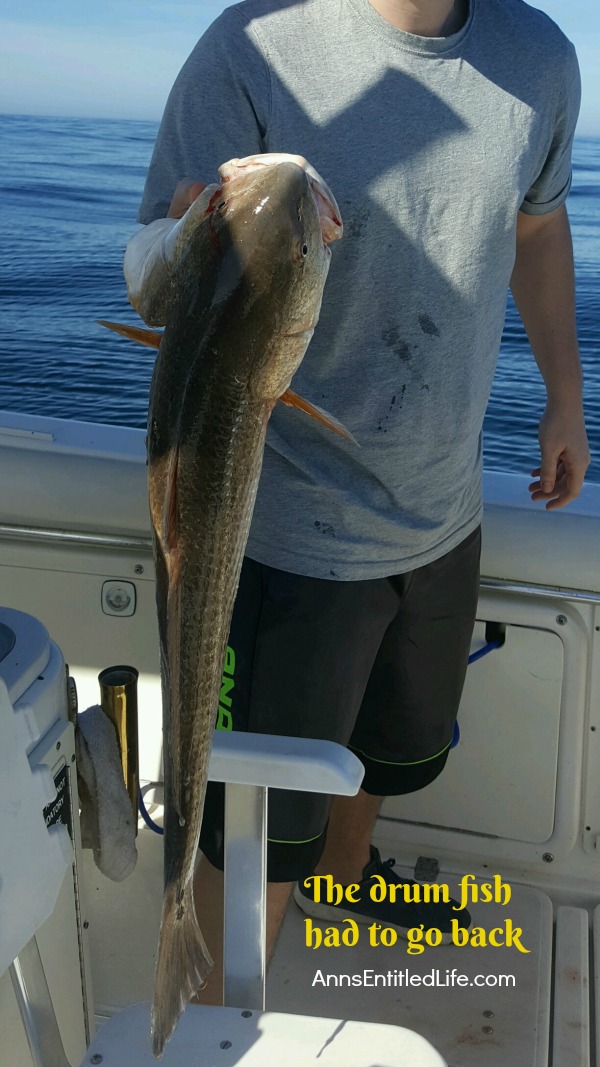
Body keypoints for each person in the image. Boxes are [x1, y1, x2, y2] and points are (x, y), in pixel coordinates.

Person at [137, 0, 590, 1001]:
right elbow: (155, 285)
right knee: (253, 827)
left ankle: (346, 880)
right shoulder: (252, 49)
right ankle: (219, 1005)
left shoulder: (541, 59)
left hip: (443, 506)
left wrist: (567, 393)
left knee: (392, 749)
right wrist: (184, 227)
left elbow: (538, 226)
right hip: (281, 531)